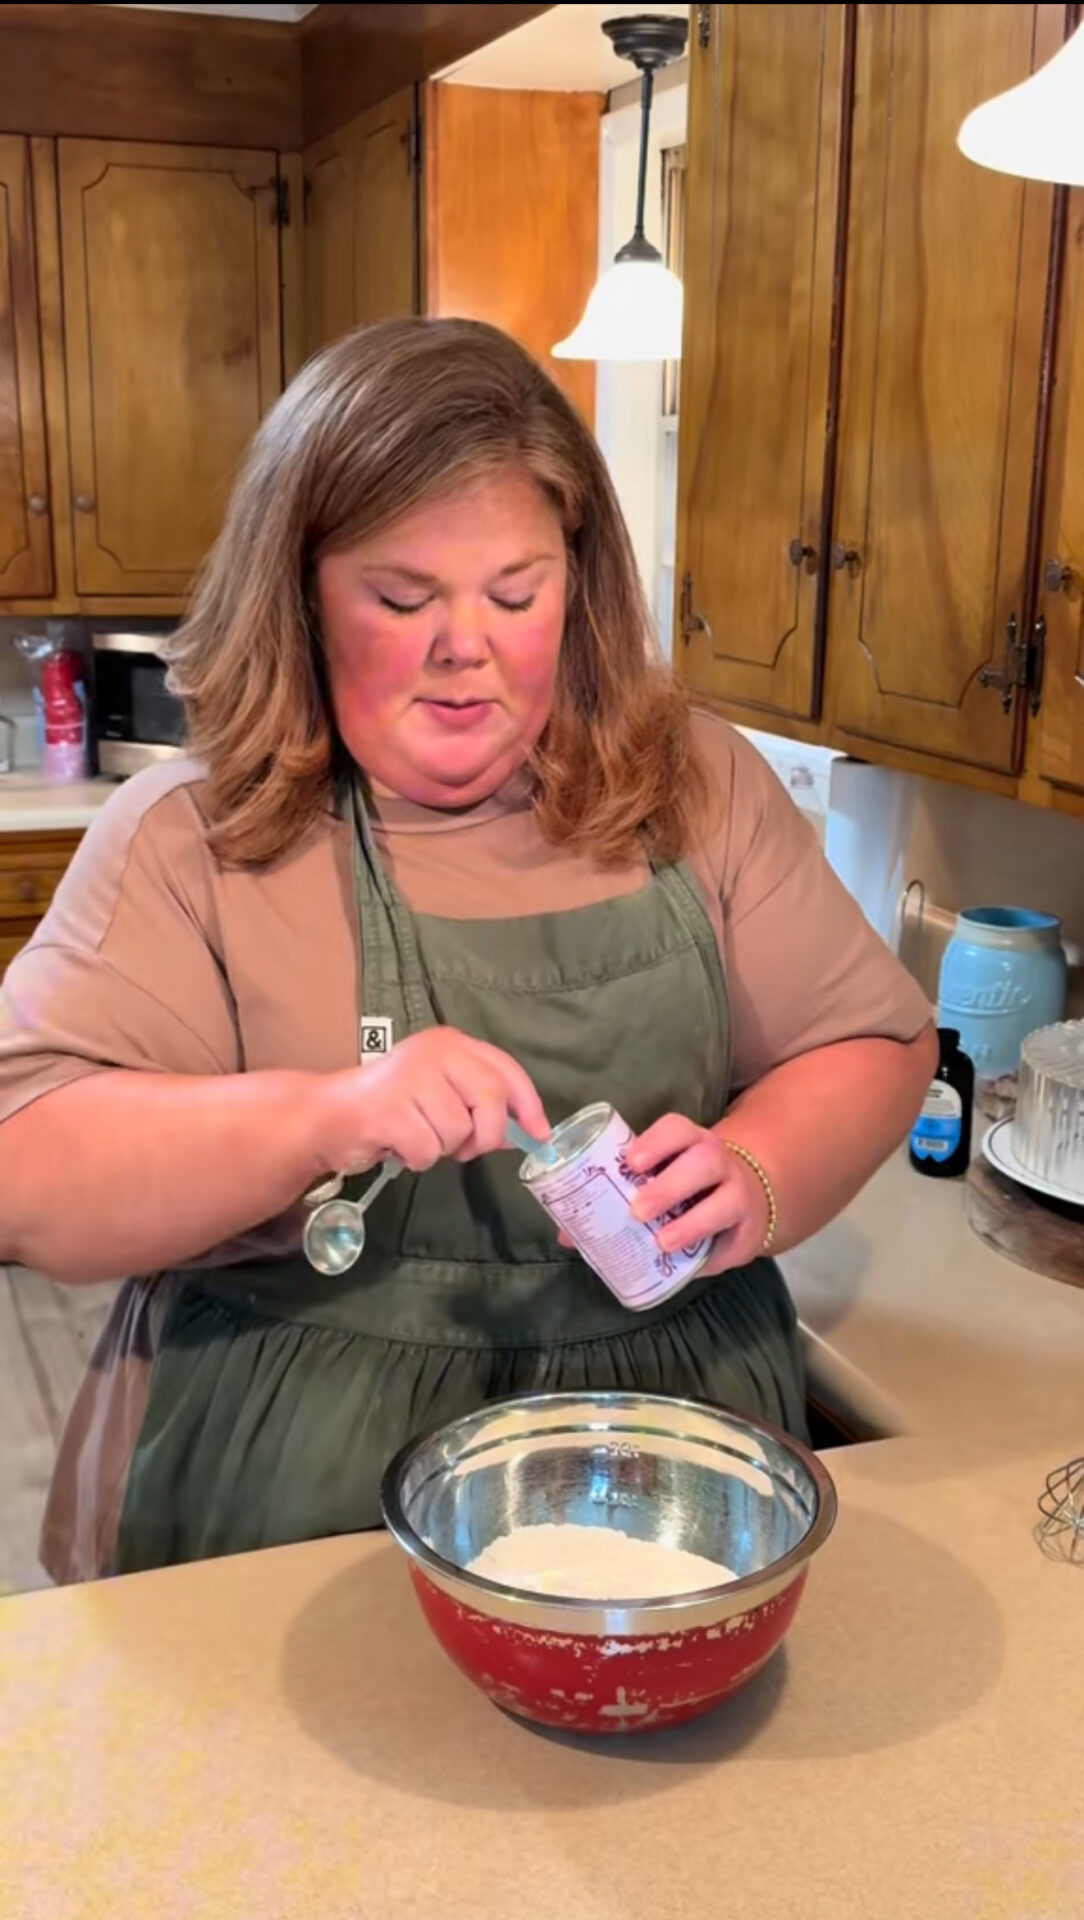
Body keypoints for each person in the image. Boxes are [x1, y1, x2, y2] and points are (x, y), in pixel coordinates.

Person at [0, 320, 935, 1583]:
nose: (466, 650)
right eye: (400, 598)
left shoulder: (691, 785)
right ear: (302, 591)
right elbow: (31, 1172)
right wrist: (328, 1114)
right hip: (289, 1467)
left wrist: (755, 1174)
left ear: (577, 578)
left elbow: (868, 1041)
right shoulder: (191, 838)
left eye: (516, 592)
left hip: (665, 1450)